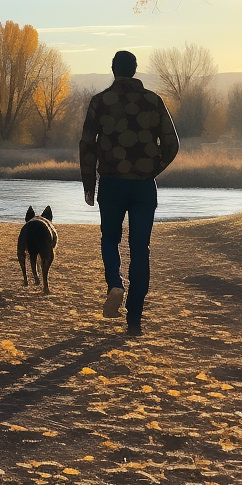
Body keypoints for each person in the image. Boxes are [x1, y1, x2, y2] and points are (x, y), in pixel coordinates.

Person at [79, 50, 179, 336]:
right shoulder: (153, 101)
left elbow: (87, 144)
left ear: (113, 70)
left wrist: (89, 183)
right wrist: (150, 170)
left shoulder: (100, 102)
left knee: (110, 239)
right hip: (143, 187)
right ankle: (134, 320)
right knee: (140, 250)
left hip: (110, 183)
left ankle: (114, 284)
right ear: (135, 70)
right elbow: (171, 145)